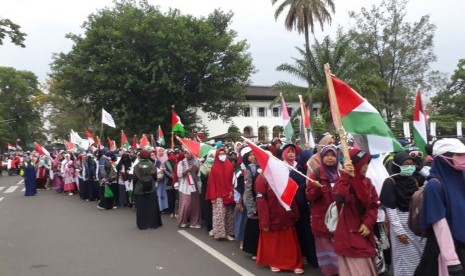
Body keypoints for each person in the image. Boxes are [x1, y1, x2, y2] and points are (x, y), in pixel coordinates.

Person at [415, 138, 465, 276]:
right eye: (458, 155)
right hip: (446, 250)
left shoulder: (461, 177)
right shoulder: (434, 186)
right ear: (444, 157)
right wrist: (452, 261)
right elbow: (439, 225)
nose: (463, 158)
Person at [333, 149, 379, 276]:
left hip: (364, 233)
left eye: (367, 163)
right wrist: (346, 177)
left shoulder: (368, 183)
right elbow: (339, 198)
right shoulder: (342, 182)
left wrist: (367, 223)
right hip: (348, 235)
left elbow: (374, 205)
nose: (366, 167)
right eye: (364, 163)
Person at [380, 151, 425, 275]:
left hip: (415, 225)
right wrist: (400, 232)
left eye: (412, 164)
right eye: (406, 164)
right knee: (405, 260)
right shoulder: (390, 182)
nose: (410, 167)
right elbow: (391, 209)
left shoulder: (413, 181)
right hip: (401, 226)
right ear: (397, 165)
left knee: (420, 258)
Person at [255, 173, 304, 274]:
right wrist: (264, 222)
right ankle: (274, 262)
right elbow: (261, 202)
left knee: (289, 241)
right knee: (273, 242)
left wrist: (294, 213)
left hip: (286, 214)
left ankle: (294, 263)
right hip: (272, 216)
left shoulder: (282, 175)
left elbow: (291, 195)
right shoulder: (261, 179)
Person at [306, 145, 340, 275]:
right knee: (325, 247)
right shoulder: (316, 173)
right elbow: (309, 196)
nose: (330, 158)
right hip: (322, 219)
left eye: (333, 155)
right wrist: (316, 188)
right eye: (327, 155)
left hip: (339, 218)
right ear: (322, 157)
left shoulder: (341, 173)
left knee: (338, 246)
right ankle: (329, 272)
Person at [291, 149, 318, 268]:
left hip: (316, 208)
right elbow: (294, 192)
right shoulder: (296, 173)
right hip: (303, 210)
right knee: (306, 233)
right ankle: (309, 256)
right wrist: (304, 187)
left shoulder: (316, 171)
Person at [206, 148, 235, 240]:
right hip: (218, 194)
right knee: (219, 215)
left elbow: (232, 181)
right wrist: (213, 196)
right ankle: (219, 234)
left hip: (228, 193)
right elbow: (212, 183)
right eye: (220, 154)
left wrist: (231, 191)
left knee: (229, 215)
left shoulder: (230, 166)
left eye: (223, 153)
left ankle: (229, 233)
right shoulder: (214, 167)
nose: (222, 155)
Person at [133, 149, 162, 230]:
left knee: (141, 207)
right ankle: (152, 224)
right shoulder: (152, 165)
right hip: (151, 188)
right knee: (151, 207)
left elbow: (135, 178)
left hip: (139, 189)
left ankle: (142, 225)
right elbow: (155, 177)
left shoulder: (136, 166)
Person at [242, 148, 260, 259]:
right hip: (254, 200)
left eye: (255, 154)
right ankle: (254, 250)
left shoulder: (266, 167)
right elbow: (248, 189)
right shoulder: (251, 168)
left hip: (265, 201)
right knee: (254, 224)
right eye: (251, 155)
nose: (253, 157)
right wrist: (251, 205)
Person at [176, 149, 202, 228]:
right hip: (186, 185)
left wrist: (196, 169)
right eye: (185, 153)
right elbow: (179, 175)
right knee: (186, 203)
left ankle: (195, 222)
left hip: (195, 184)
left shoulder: (197, 161)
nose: (186, 154)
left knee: (195, 204)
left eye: (188, 153)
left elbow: (199, 173)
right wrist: (187, 170)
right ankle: (183, 221)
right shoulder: (182, 163)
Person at [199, 149, 215, 234]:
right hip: (206, 190)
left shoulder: (216, 166)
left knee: (215, 209)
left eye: (213, 156)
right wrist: (208, 174)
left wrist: (213, 172)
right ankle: (209, 227)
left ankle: (216, 226)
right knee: (207, 208)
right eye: (210, 156)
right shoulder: (203, 167)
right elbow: (203, 180)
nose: (211, 158)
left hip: (215, 190)